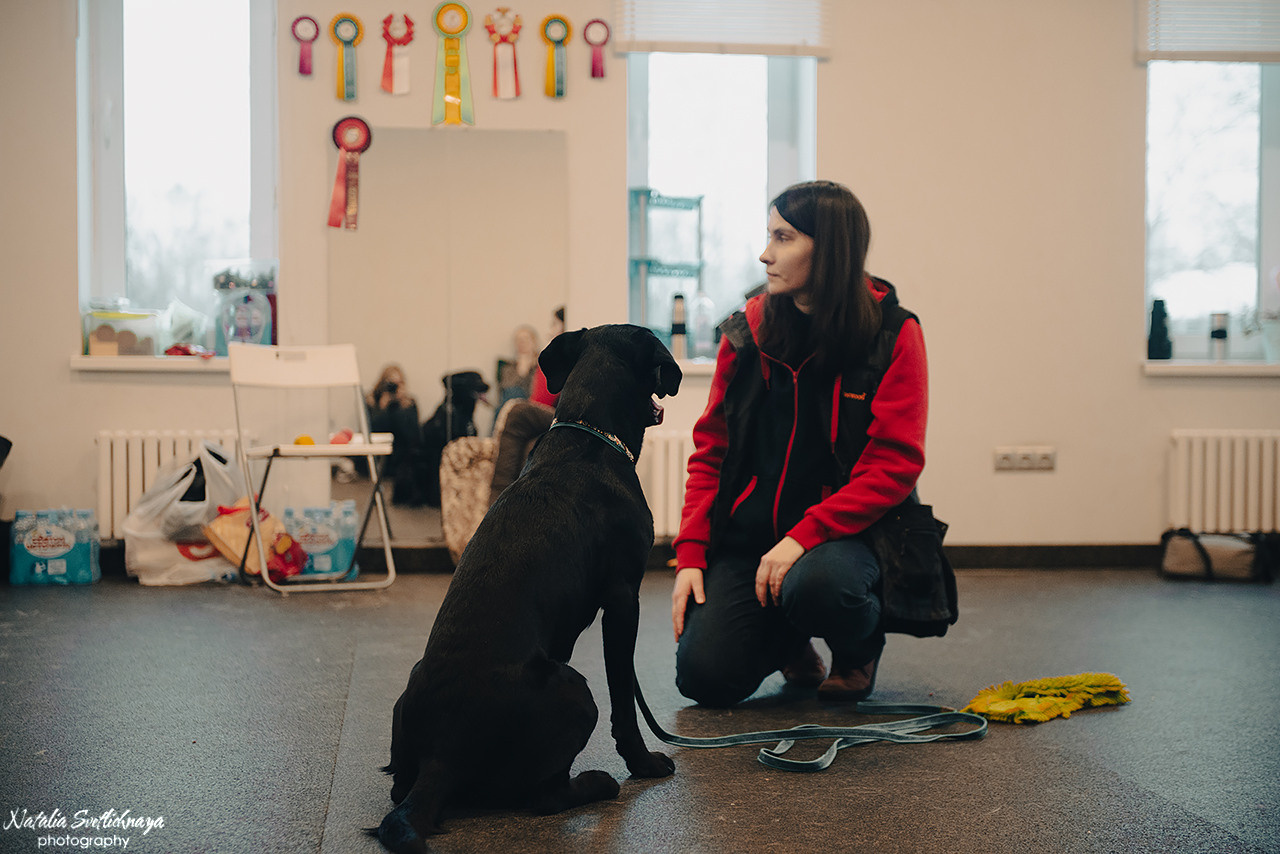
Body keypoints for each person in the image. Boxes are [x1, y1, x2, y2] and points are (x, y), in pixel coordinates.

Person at [670, 180, 931, 708]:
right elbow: (711, 450)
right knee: (704, 679)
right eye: (769, 235)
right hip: (753, 540)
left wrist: (804, 536)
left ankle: (857, 652)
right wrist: (692, 553)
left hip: (846, 541)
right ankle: (790, 641)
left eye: (784, 238)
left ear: (830, 247)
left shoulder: (894, 334)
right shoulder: (747, 331)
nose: (766, 254)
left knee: (818, 587)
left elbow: (894, 465)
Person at [487, 306, 565, 506]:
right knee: (529, 444)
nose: (550, 330)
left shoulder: (553, 357)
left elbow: (540, 400)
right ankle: (508, 507)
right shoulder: (511, 366)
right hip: (540, 412)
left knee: (516, 409)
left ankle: (495, 506)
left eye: (554, 324)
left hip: (561, 415)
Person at [365, 363, 426, 505]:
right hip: (380, 454)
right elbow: (372, 431)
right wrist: (382, 408)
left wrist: (402, 408)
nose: (394, 388)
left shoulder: (409, 403)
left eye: (399, 383)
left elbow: (412, 435)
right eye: (391, 383)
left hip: (401, 454)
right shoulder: (372, 400)